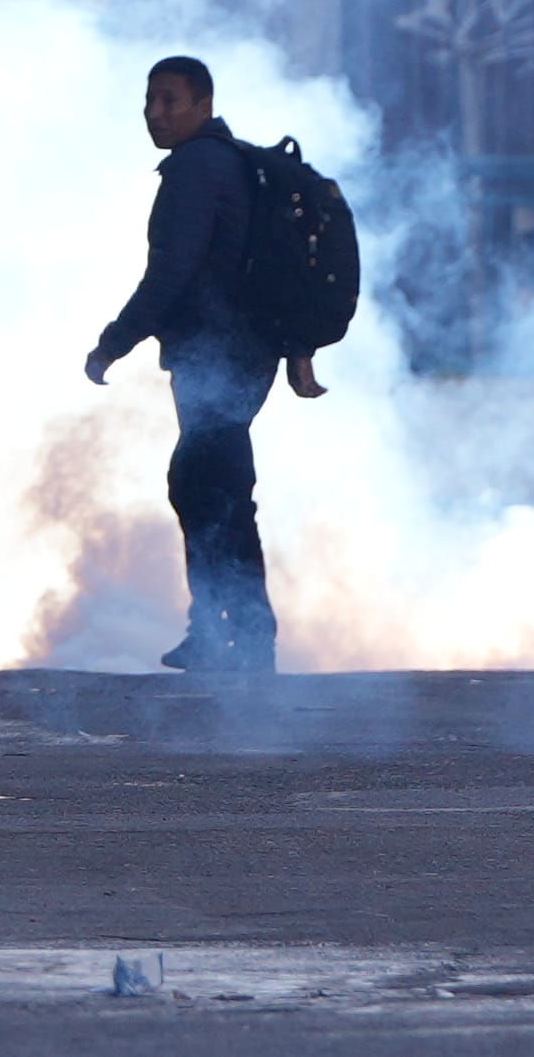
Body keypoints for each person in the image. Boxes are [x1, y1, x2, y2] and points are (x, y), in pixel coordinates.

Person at [85, 56, 323, 673]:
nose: (154, 113)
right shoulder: (231, 164)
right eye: (149, 101)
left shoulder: (197, 169)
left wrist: (113, 342)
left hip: (220, 355)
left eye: (169, 100)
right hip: (235, 353)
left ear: (203, 105)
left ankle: (238, 635)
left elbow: (171, 271)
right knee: (212, 486)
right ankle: (225, 631)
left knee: (208, 485)